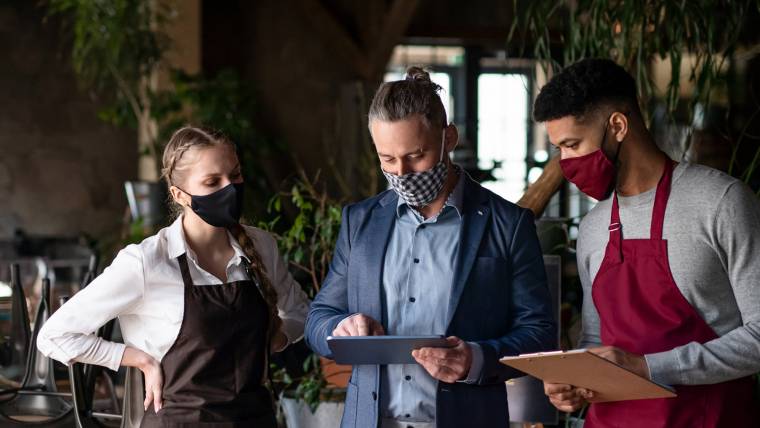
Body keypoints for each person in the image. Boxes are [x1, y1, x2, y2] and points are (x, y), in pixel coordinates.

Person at [305, 67, 556, 428]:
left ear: (448, 137)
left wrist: (476, 360)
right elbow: (318, 318)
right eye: (387, 159)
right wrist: (339, 327)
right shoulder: (359, 222)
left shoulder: (509, 224)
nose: (402, 173)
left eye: (415, 155)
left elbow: (539, 333)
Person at [533, 58, 760, 427]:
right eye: (560, 149)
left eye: (573, 144)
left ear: (618, 125)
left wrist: (647, 367)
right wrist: (577, 380)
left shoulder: (721, 202)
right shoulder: (593, 227)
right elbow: (595, 337)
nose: (566, 163)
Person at [37, 126, 310, 427]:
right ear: (179, 194)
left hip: (255, 419)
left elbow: (300, 313)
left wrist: (272, 339)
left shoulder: (262, 246)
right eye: (212, 181)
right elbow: (54, 335)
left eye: (235, 175)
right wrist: (139, 359)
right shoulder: (146, 261)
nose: (229, 188)